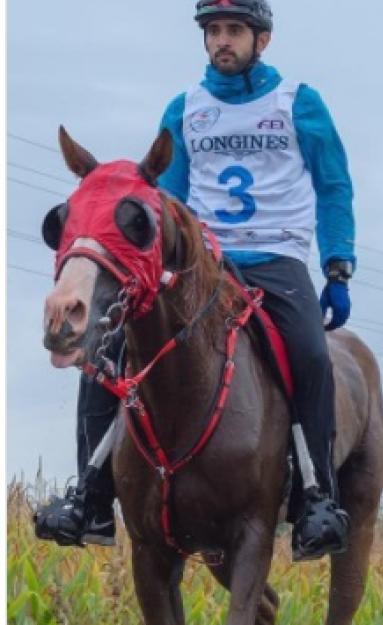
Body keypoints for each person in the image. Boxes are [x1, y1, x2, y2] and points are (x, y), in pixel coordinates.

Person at [34, 0, 356, 562]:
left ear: (262, 40)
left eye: (234, 30)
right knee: (107, 351)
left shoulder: (298, 102)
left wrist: (337, 263)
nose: (222, 41)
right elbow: (168, 202)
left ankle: (316, 496)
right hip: (200, 263)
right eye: (213, 32)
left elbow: (333, 185)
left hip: (276, 258)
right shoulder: (186, 109)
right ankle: (89, 494)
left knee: (310, 353)